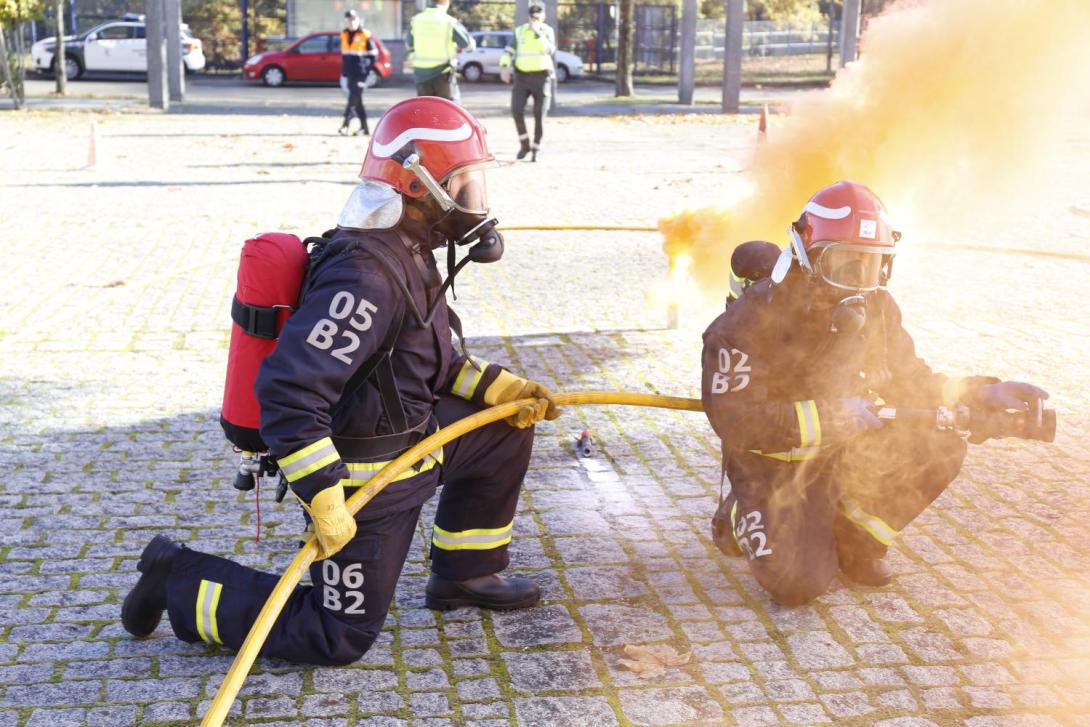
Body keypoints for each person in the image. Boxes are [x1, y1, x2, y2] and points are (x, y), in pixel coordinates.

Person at [121, 98, 561, 665]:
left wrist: (499, 389)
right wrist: (324, 492)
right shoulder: (365, 278)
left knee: (500, 429)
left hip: (416, 438)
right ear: (417, 185)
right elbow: (290, 391)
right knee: (337, 636)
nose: (476, 202)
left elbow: (422, 357)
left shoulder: (412, 247)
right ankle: (175, 578)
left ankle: (465, 574)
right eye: (464, 184)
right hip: (366, 477)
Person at [701, 180, 1049, 606]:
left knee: (941, 443)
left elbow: (913, 382)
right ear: (806, 256)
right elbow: (736, 420)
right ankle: (739, 512)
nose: (856, 282)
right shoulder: (745, 324)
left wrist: (981, 394)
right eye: (843, 264)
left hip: (840, 453)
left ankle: (855, 543)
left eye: (869, 265)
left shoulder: (878, 307)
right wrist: (831, 417)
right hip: (769, 468)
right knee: (798, 586)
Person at [499, 4, 556, 162]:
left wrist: (538, 32)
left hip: (541, 77)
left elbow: (550, 50)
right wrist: (504, 67)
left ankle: (536, 148)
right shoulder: (520, 31)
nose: (534, 20)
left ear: (543, 17)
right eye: (532, 17)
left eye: (537, 17)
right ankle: (525, 145)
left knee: (539, 114)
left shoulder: (547, 31)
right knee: (516, 110)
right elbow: (508, 51)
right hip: (522, 77)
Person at [406, 0, 474, 102]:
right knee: (449, 109)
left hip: (421, 76)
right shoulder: (449, 21)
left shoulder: (415, 20)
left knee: (426, 108)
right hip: (443, 74)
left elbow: (409, 45)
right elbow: (468, 46)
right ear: (446, 2)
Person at [339, 10, 377, 136]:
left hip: (362, 73)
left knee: (353, 98)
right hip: (349, 72)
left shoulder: (365, 34)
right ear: (345, 21)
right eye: (349, 19)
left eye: (354, 19)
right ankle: (365, 128)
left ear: (358, 20)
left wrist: (367, 70)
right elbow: (345, 54)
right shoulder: (343, 34)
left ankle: (345, 124)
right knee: (357, 99)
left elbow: (374, 55)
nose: (351, 22)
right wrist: (344, 71)